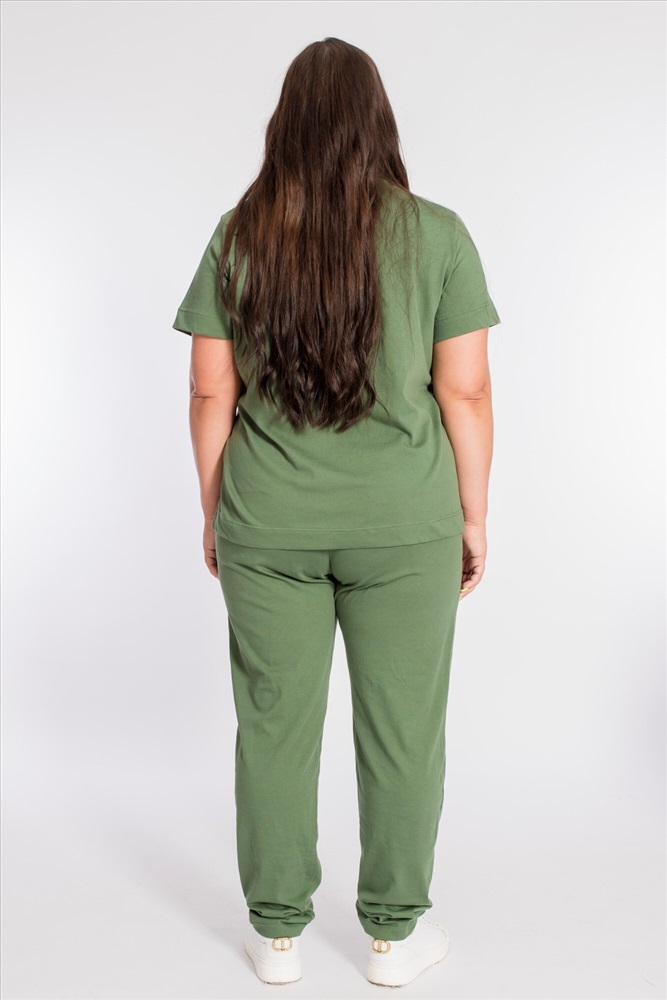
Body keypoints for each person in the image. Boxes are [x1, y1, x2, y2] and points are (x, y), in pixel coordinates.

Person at [171, 36, 501, 990]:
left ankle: (276, 939)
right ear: (375, 123)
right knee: (403, 731)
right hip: (405, 527)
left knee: (272, 725)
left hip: (267, 523)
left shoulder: (239, 234)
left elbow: (210, 390)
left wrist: (214, 509)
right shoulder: (437, 235)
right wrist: (472, 515)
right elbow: (465, 393)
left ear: (286, 125)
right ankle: (393, 938)